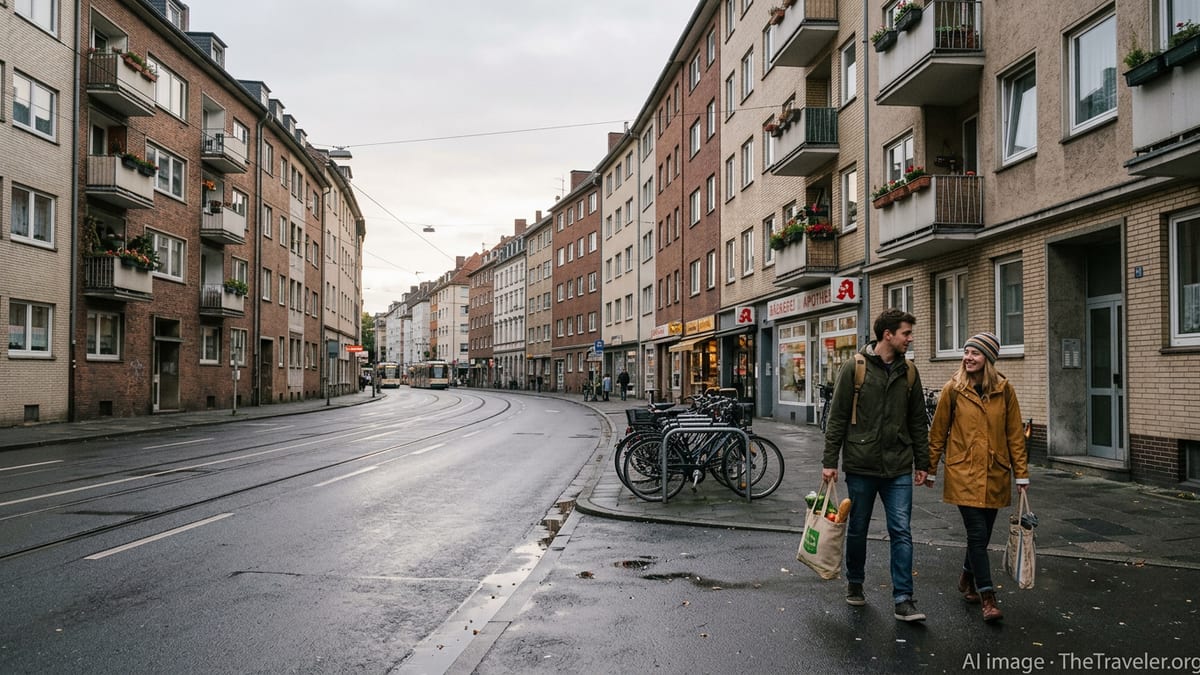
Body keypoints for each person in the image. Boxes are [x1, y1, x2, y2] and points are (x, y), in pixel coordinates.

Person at [822, 308, 931, 622]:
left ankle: (903, 599)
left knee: (902, 531)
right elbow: (837, 419)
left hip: (898, 464)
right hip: (861, 463)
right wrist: (830, 461)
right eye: (906, 334)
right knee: (857, 529)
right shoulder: (853, 368)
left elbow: (917, 421)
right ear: (888, 335)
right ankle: (855, 583)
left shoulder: (909, 372)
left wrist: (922, 462)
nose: (909, 339)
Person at [926, 332, 1028, 623]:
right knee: (977, 534)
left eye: (976, 353)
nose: (968, 357)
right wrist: (930, 467)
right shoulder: (953, 389)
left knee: (981, 537)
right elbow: (938, 433)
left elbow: (1014, 435)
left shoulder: (1004, 390)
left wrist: (1021, 474)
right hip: (963, 472)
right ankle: (988, 597)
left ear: (989, 359)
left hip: (995, 472)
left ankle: (966, 579)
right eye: (967, 352)